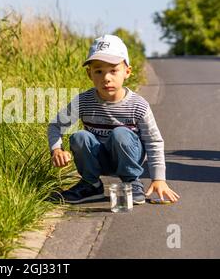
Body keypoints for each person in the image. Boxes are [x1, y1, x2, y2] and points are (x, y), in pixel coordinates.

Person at [47, 34, 180, 204]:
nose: (106, 78)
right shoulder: (83, 101)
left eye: (113, 70)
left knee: (121, 134)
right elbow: (56, 125)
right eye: (99, 71)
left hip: (127, 155)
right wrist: (56, 149)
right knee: (80, 136)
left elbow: (153, 141)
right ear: (89, 74)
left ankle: (131, 182)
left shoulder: (138, 105)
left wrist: (158, 179)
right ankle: (91, 184)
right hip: (99, 157)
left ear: (127, 72)